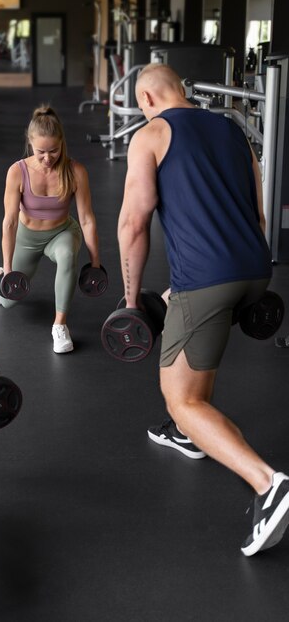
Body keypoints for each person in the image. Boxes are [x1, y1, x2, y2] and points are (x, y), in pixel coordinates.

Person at [117, 63, 289, 556]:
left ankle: (268, 483)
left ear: (147, 99)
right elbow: (257, 211)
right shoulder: (233, 128)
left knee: (181, 399)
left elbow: (133, 223)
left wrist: (130, 301)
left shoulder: (151, 135)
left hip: (209, 283)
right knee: (183, 325)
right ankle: (189, 436)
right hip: (257, 269)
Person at [0, 105, 100, 353]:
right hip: (26, 237)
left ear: (62, 144)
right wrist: (7, 270)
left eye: (54, 151)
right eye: (41, 152)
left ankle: (59, 326)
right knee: (7, 302)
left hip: (61, 232)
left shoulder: (76, 171)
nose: (48, 158)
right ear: (30, 144)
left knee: (67, 255)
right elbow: (9, 222)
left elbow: (87, 219)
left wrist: (95, 263)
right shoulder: (17, 172)